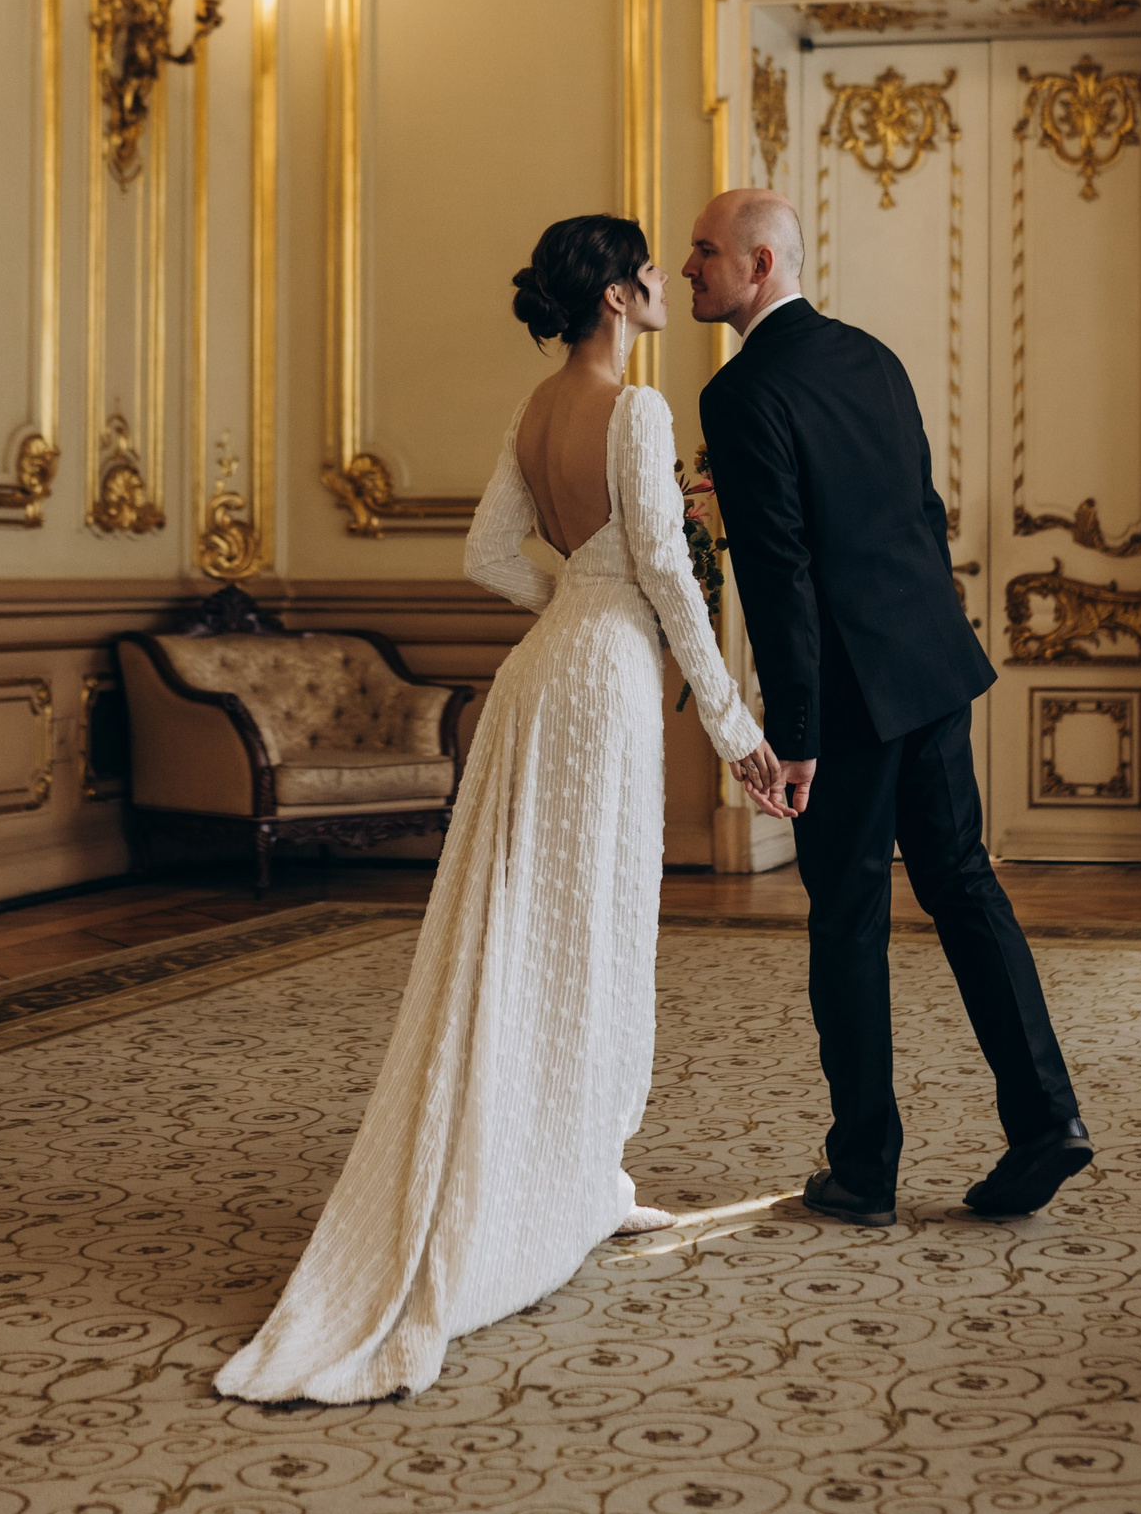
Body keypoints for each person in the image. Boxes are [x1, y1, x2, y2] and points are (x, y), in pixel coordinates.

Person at [215, 213, 777, 1404]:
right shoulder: (637, 410)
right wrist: (736, 730)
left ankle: (582, 1182)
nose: (662, 282)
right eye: (647, 270)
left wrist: (575, 592)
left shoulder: (535, 409)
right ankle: (565, 1182)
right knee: (594, 928)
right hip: (604, 680)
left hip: (540, 673)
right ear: (617, 297)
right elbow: (670, 580)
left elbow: (485, 556)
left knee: (531, 925)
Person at [686, 187, 1092, 1227]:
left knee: (849, 920)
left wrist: (798, 734)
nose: (689, 268)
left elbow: (779, 572)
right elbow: (921, 511)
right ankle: (1048, 1119)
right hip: (931, 669)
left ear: (759, 266)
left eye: (705, 251)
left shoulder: (740, 394)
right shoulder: (872, 357)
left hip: (848, 698)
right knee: (965, 888)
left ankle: (864, 1170)